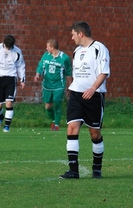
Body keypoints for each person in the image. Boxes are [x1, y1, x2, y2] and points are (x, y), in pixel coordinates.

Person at [59, 21, 110, 179]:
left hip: (94, 96)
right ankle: (73, 171)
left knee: (94, 133)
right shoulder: (76, 51)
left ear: (81, 34)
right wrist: (73, 86)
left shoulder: (99, 49)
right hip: (76, 95)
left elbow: (104, 72)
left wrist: (93, 88)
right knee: (72, 128)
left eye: (73, 34)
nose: (71, 37)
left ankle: (97, 168)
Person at [0, 35, 26, 133]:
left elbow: (21, 66)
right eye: (6, 46)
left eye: (9, 47)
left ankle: (7, 127)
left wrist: (22, 80)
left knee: (9, 102)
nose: (7, 48)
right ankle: (0, 117)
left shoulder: (17, 52)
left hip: (11, 78)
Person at [34, 39, 72, 131]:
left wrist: (70, 86)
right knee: (48, 107)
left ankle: (57, 125)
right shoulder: (46, 56)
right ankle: (54, 121)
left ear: (52, 47)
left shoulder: (64, 58)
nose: (46, 48)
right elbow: (40, 66)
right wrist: (38, 74)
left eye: (47, 46)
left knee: (57, 104)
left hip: (59, 86)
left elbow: (68, 73)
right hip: (47, 85)